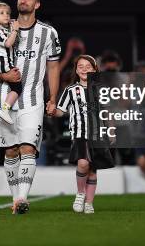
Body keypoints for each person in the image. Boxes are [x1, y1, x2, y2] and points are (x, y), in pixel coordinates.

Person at [0, 0, 61, 214]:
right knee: (11, 151)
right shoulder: (3, 29)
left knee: (27, 147)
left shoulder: (48, 32)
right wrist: (4, 76)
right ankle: (16, 198)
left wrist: (52, 97)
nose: (23, 0)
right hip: (3, 99)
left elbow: (53, 67)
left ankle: (22, 198)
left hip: (32, 100)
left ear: (37, 5)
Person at [49, 55, 114, 214]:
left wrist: (111, 131)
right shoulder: (70, 90)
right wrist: (52, 110)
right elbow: (60, 111)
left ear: (94, 69)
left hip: (98, 135)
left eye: (88, 66)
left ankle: (89, 203)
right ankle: (80, 193)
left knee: (92, 169)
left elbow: (107, 112)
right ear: (76, 71)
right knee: (83, 163)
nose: (84, 69)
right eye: (81, 66)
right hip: (79, 133)